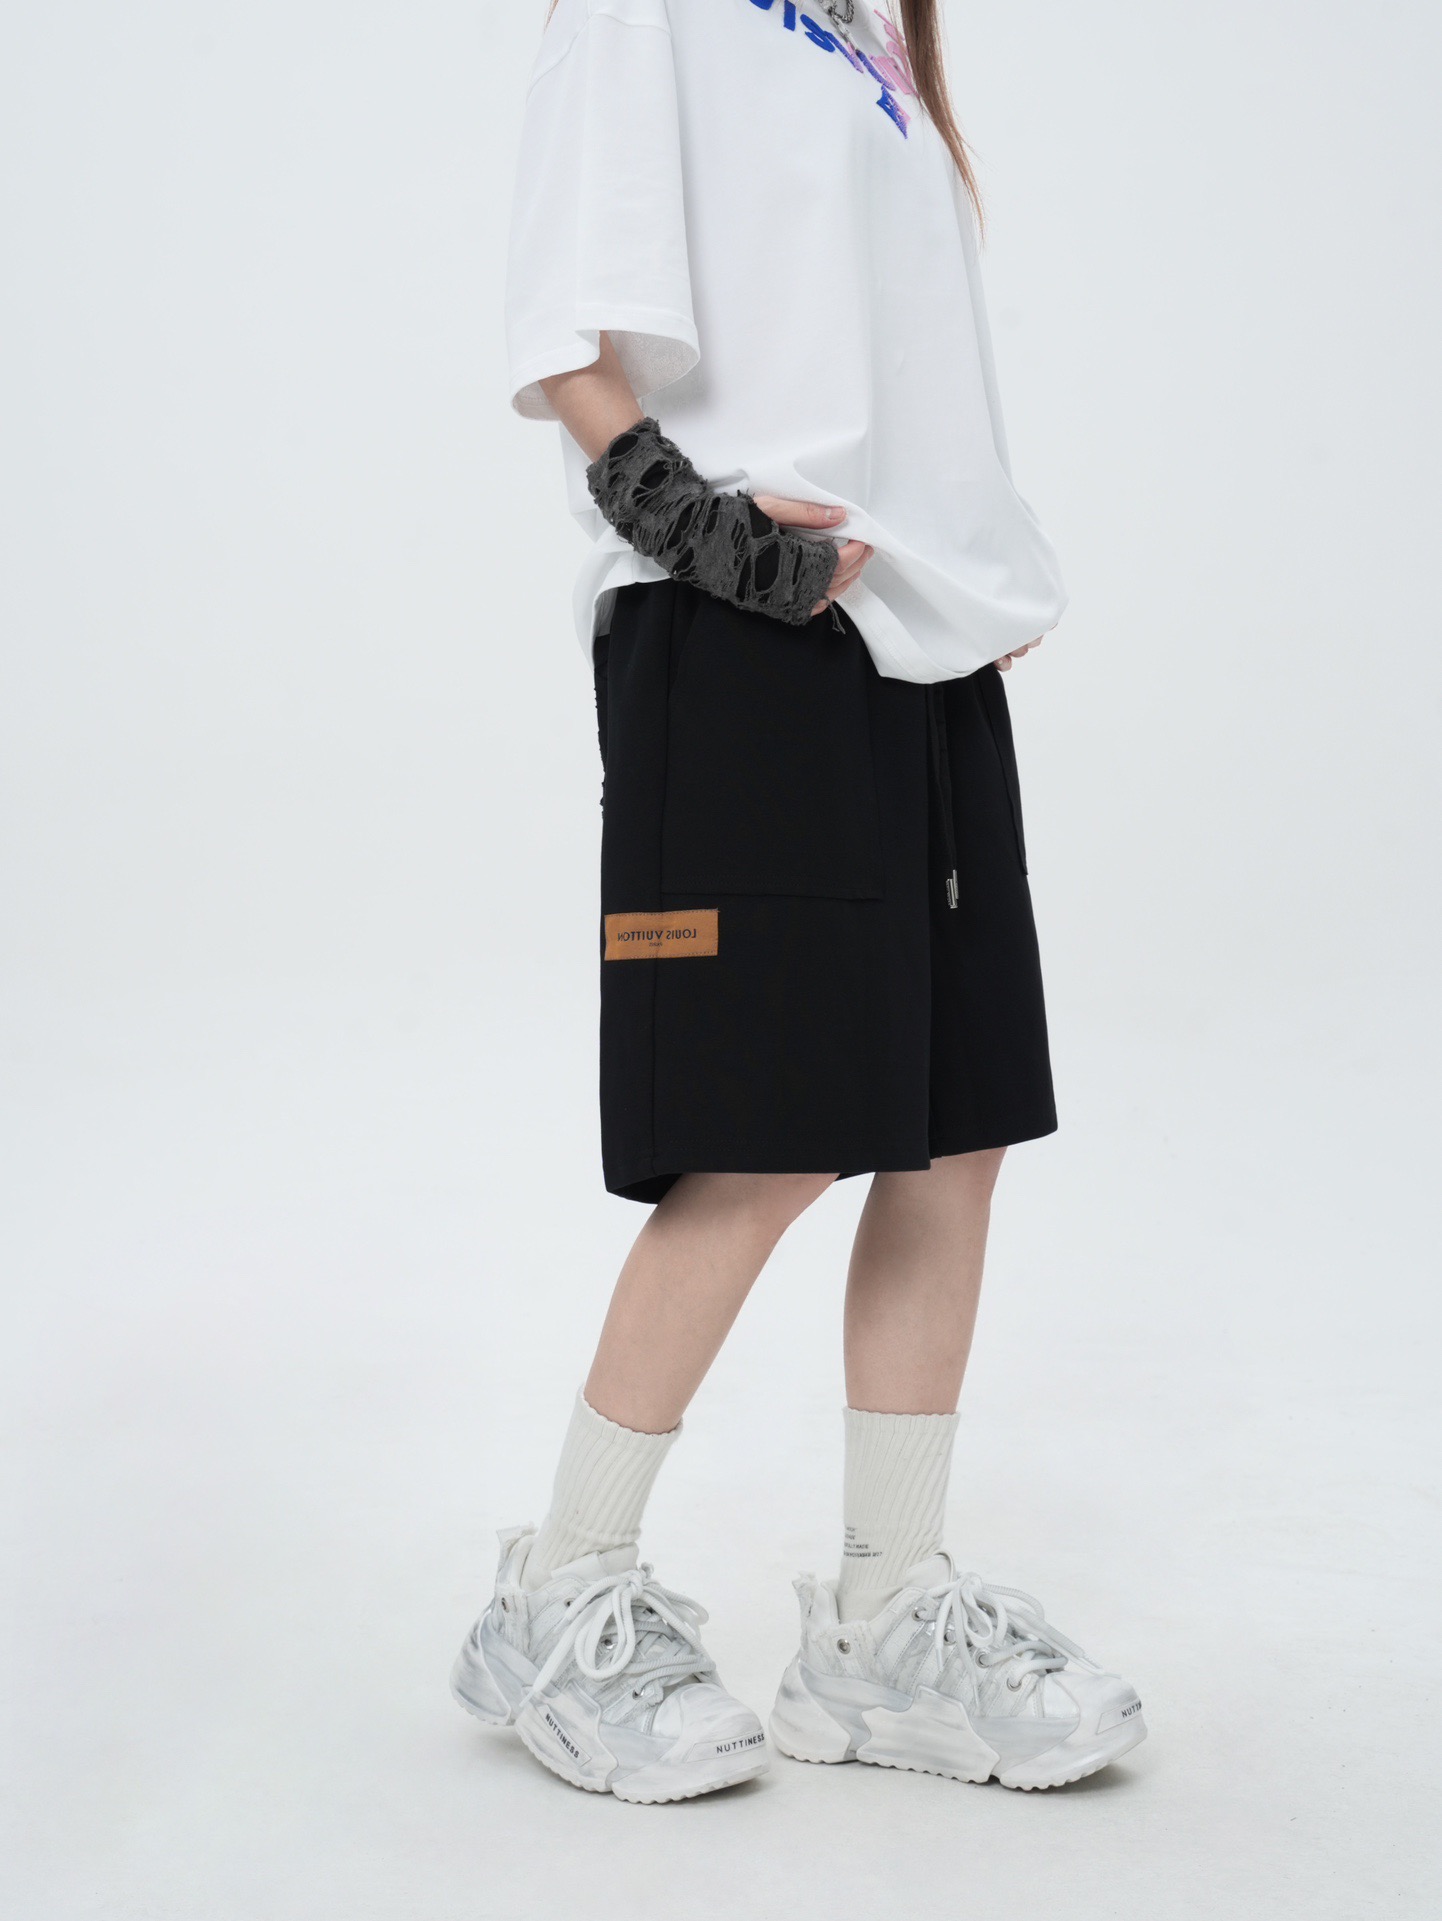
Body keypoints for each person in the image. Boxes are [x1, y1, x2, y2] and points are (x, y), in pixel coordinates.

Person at [451, 0, 1145, 1802]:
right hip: (740, 622)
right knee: (760, 1139)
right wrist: (707, 535)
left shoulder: (876, 36)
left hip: (914, 638)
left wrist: (970, 557)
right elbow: (565, 329)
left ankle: (882, 1617)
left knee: (952, 1132)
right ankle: (560, 1588)